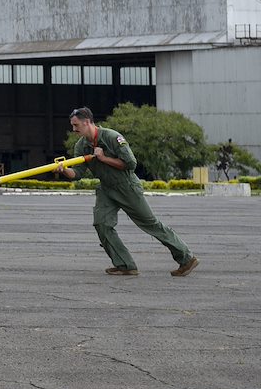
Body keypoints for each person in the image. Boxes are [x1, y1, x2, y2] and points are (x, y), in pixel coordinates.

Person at [60, 108, 197, 277]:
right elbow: (77, 174)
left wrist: (103, 158)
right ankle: (125, 264)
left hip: (126, 187)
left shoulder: (112, 137)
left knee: (151, 224)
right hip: (106, 189)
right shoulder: (81, 146)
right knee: (102, 224)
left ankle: (186, 258)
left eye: (76, 125)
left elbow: (131, 164)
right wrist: (64, 170)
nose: (74, 129)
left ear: (87, 122)